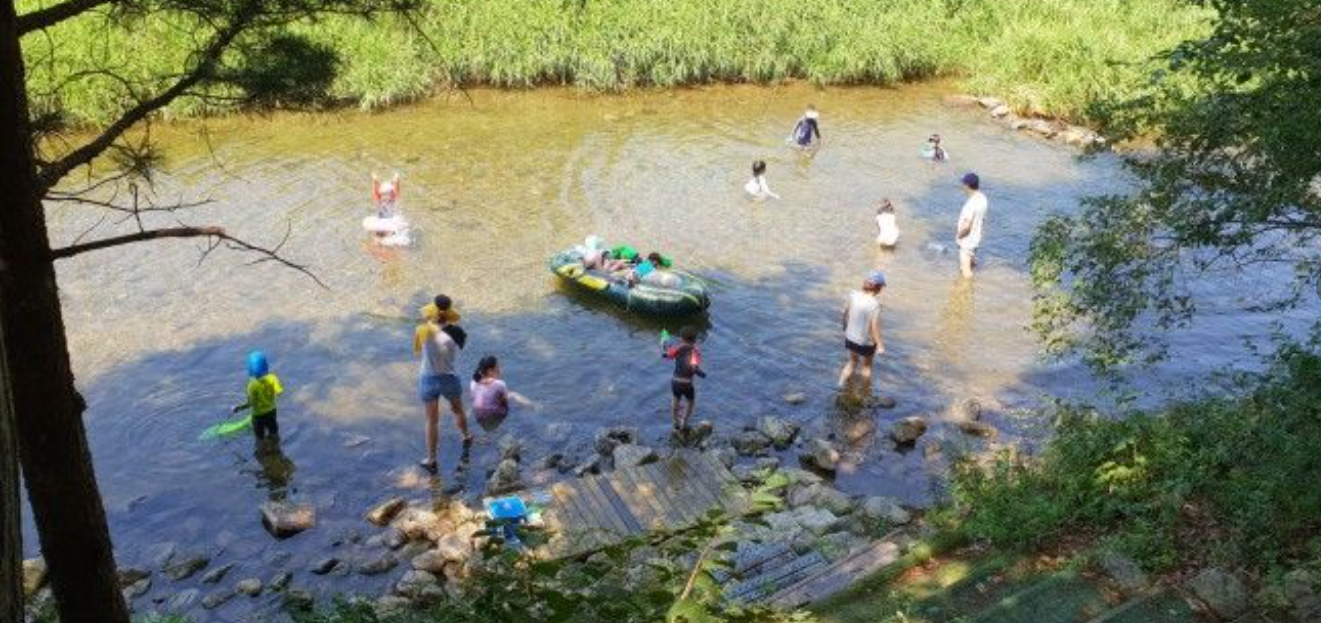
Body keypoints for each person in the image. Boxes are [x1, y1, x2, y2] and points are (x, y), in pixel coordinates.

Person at [414, 296, 470, 473]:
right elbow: (458, 343)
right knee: (458, 410)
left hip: (429, 378)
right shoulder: (458, 333)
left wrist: (429, 321)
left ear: (433, 311)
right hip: (449, 378)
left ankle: (431, 459)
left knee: (431, 420)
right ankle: (466, 435)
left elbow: (418, 346)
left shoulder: (422, 330)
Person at [838, 271, 886, 392]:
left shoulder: (853, 295)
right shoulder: (876, 304)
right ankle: (865, 392)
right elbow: (874, 327)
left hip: (850, 337)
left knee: (852, 362)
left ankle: (840, 385)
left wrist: (845, 328)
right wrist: (880, 345)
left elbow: (845, 313)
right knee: (866, 367)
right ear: (879, 288)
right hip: (866, 342)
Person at [469, 355, 534, 432]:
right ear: (490, 370)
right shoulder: (499, 384)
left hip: (478, 415)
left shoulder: (473, 382)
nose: (500, 370)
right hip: (495, 415)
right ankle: (534, 406)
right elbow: (505, 402)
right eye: (497, 367)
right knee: (513, 394)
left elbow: (474, 397)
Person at [662, 325, 706, 432]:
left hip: (675, 382)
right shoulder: (694, 351)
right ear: (695, 340)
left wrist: (664, 348)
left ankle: (675, 421)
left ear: (681, 338)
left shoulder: (678, 348)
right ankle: (684, 422)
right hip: (687, 384)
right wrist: (702, 374)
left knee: (675, 399)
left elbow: (667, 355)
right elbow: (694, 367)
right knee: (690, 402)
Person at [232, 351, 284, 440]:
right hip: (271, 412)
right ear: (265, 366)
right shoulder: (273, 377)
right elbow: (279, 392)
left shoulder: (251, 385)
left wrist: (238, 408)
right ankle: (276, 447)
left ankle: (262, 450)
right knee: (274, 431)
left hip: (258, 416)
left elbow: (251, 403)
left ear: (251, 369)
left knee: (260, 438)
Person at [955, 172, 989, 279]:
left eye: (963, 184)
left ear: (967, 186)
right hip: (976, 238)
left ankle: (967, 293)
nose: (962, 187)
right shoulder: (983, 198)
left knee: (965, 270)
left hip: (967, 241)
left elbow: (967, 226)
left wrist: (959, 236)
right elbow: (983, 219)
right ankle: (974, 284)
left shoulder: (970, 204)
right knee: (971, 263)